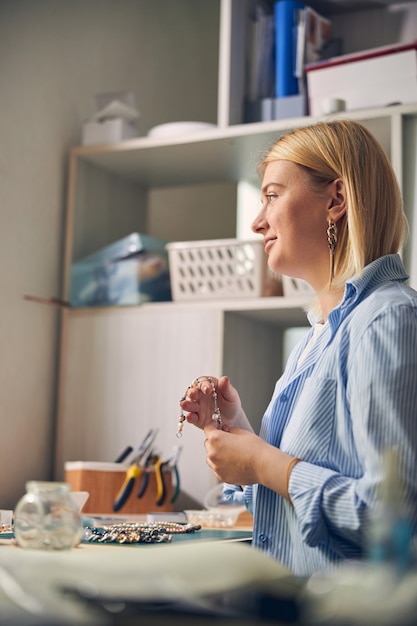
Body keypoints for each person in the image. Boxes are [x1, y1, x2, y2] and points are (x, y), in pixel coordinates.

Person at [179, 119, 417, 577]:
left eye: (271, 194)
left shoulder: (385, 320)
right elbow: (298, 491)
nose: (256, 220)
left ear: (336, 201)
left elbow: (394, 518)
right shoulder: (319, 334)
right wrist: (240, 436)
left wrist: (264, 463)